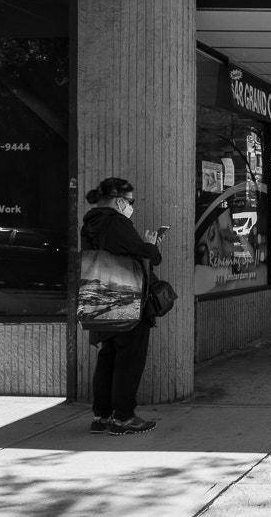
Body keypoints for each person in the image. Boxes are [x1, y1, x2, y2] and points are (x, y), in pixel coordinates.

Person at [81, 177, 163, 436]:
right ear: (119, 200)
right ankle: (124, 418)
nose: (131, 206)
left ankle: (102, 416)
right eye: (130, 201)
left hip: (101, 298)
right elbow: (150, 256)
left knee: (108, 357)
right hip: (127, 298)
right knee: (129, 360)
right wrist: (152, 243)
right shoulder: (116, 221)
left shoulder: (90, 223)